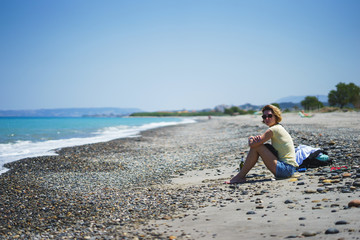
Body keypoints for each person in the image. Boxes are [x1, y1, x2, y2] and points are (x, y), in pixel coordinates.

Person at [226, 104, 298, 184]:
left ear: (276, 116)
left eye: (270, 116)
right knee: (258, 146)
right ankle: (240, 176)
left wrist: (250, 137)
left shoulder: (273, 129)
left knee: (257, 147)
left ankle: (240, 177)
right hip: (289, 169)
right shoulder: (278, 127)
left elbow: (253, 145)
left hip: (286, 170)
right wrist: (255, 140)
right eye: (264, 117)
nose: (267, 118)